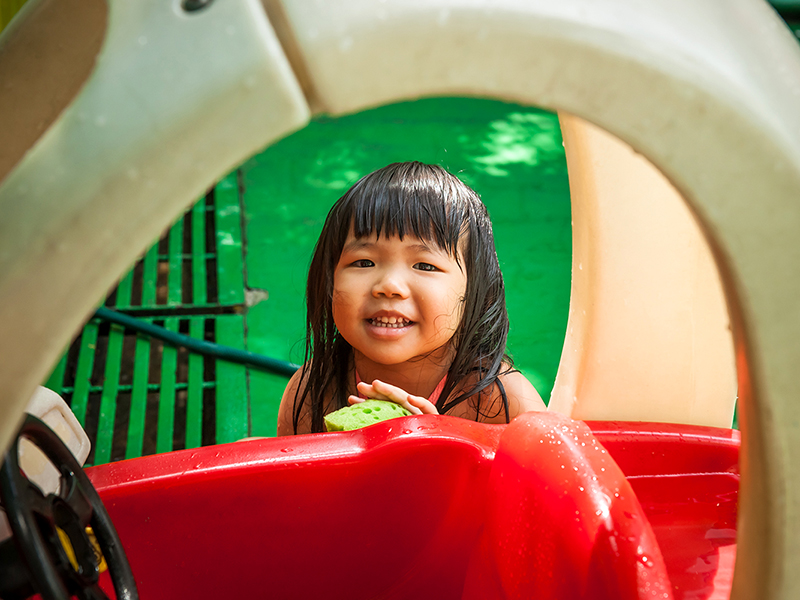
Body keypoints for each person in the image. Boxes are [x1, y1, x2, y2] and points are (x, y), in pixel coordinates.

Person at [277, 161, 545, 436]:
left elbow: (564, 477)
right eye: (364, 262)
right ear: (328, 280)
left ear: (474, 291)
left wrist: (440, 451)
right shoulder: (312, 390)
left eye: (425, 266)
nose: (389, 286)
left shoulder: (502, 402)